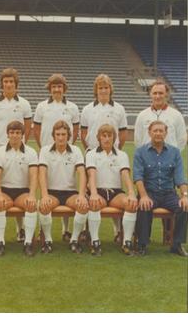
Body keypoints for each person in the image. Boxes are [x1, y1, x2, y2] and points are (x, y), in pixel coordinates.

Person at [0, 68, 32, 242]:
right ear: (2, 84)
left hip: (19, 150)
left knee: (20, 187)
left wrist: (20, 143)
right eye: (6, 82)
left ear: (16, 84)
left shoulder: (24, 104)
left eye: (11, 82)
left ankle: (21, 230)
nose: (8, 85)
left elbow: (27, 127)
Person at [80, 73, 128, 242]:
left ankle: (118, 231)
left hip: (112, 155)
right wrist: (92, 150)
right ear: (96, 90)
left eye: (106, 87)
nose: (103, 90)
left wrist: (115, 150)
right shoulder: (87, 109)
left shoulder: (119, 109)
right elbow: (83, 132)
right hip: (93, 154)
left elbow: (122, 133)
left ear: (110, 89)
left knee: (114, 188)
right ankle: (87, 230)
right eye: (100, 88)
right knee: (90, 191)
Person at [33, 73, 80, 242]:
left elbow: (75, 129)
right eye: (54, 87)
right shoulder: (41, 106)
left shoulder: (73, 107)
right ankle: (42, 230)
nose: (57, 89)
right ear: (50, 89)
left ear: (64, 88)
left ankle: (66, 229)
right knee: (45, 188)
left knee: (66, 184)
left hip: (65, 150)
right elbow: (36, 129)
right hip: (47, 152)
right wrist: (43, 147)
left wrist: (67, 145)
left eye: (59, 86)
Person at [133, 120, 188, 257]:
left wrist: (185, 195)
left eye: (161, 131)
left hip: (169, 194)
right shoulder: (140, 152)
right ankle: (142, 244)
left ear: (166, 133)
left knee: (184, 207)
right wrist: (144, 196)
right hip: (149, 192)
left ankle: (176, 245)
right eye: (155, 131)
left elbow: (180, 177)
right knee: (144, 206)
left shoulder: (174, 152)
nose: (158, 133)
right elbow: (138, 177)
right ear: (149, 133)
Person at [85, 124, 138, 256]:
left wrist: (131, 193)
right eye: (104, 136)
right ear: (99, 138)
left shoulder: (122, 155)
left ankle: (126, 242)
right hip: (98, 191)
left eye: (110, 136)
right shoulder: (91, 154)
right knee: (94, 203)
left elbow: (125, 175)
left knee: (131, 204)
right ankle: (95, 242)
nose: (107, 139)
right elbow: (91, 174)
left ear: (114, 138)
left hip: (115, 193)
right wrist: (94, 194)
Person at [38, 120, 89, 254]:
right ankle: (48, 241)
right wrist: (44, 196)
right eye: (58, 134)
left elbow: (82, 174)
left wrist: (82, 196)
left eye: (63, 134)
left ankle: (74, 240)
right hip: (52, 193)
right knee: (44, 206)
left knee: (83, 206)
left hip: (70, 193)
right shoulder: (45, 150)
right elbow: (41, 174)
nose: (61, 137)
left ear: (68, 136)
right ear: (53, 136)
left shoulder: (76, 150)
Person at [0, 121, 38, 257]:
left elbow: (34, 175)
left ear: (23, 135)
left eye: (18, 133)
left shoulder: (31, 152)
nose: (15, 136)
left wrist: (32, 195)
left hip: (22, 191)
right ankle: (0, 242)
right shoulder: (0, 152)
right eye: (12, 133)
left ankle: (28, 243)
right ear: (7, 134)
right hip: (5, 191)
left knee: (31, 205)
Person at [134, 79, 187, 151]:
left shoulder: (177, 115)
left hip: (169, 160)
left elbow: (182, 139)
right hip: (147, 159)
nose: (157, 96)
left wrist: (172, 155)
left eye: (161, 93)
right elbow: (138, 140)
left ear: (166, 94)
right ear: (150, 94)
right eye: (155, 93)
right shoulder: (142, 115)